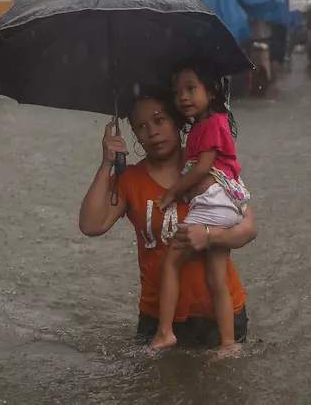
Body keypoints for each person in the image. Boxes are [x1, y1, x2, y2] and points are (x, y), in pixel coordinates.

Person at [78, 90, 256, 350]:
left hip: (219, 316)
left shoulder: (207, 167)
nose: (152, 131)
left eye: (160, 120)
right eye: (141, 126)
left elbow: (249, 228)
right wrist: (106, 164)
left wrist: (208, 236)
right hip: (158, 318)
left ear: (178, 121)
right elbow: (91, 225)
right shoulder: (130, 180)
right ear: (136, 135)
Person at [150, 62, 250, 354]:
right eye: (177, 91)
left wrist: (172, 192)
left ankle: (165, 332)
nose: (183, 97)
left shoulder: (213, 123)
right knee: (216, 278)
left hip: (213, 204)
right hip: (225, 205)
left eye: (191, 88)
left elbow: (202, 167)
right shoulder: (201, 126)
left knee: (171, 262)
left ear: (212, 89)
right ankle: (229, 344)